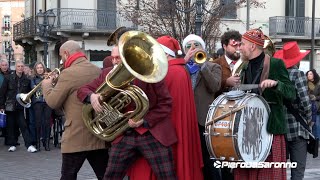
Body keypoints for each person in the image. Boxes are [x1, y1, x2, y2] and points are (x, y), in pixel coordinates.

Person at [77, 44, 177, 180]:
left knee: (167, 176)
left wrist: (144, 120)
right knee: (110, 176)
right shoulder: (107, 74)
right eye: (112, 58)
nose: (114, 61)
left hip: (150, 133)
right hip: (124, 134)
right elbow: (82, 90)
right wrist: (92, 96)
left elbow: (166, 103)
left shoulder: (148, 73)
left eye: (118, 58)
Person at [127, 35, 204, 180]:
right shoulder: (181, 70)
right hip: (174, 128)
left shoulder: (165, 72)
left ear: (164, 53)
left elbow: (152, 102)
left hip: (161, 131)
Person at [41, 40, 108, 180]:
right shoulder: (97, 70)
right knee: (104, 175)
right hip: (97, 134)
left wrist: (47, 85)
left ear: (66, 53)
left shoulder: (68, 73)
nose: (61, 60)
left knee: (68, 176)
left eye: (61, 56)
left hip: (76, 136)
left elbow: (53, 102)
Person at [234, 28, 296, 180]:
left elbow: (291, 92)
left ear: (252, 46)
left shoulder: (275, 64)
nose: (239, 47)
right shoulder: (245, 67)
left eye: (242, 44)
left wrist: (276, 83)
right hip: (248, 130)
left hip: (270, 130)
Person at [182, 34, 222, 180]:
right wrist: (184, 63)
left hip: (202, 121)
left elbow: (215, 86)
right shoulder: (181, 67)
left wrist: (203, 66)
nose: (193, 48)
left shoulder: (213, 66)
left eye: (196, 45)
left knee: (208, 161)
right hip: (185, 119)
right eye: (188, 46)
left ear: (203, 49)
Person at [274, 41, 311, 180]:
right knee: (298, 170)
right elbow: (305, 101)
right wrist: (308, 119)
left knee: (279, 169)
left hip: (279, 128)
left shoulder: (276, 74)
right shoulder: (298, 74)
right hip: (296, 128)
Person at [0, 60, 37, 153]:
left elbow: (29, 94)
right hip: (9, 105)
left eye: (22, 66)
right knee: (10, 126)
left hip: (20, 106)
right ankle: (12, 144)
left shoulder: (27, 79)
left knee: (23, 125)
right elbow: (2, 93)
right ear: (15, 68)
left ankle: (29, 145)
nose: (20, 68)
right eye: (18, 66)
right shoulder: (8, 78)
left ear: (24, 67)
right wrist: (2, 106)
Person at [31, 62, 53, 151]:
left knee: (47, 123)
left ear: (43, 68)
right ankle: (38, 143)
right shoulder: (33, 79)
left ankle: (46, 143)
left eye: (41, 67)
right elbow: (34, 89)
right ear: (35, 70)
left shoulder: (48, 77)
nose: (39, 69)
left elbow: (52, 87)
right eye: (38, 68)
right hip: (37, 102)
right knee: (38, 123)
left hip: (47, 101)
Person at [212, 30, 242, 96]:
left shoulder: (246, 63)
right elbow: (210, 88)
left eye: (240, 45)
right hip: (221, 104)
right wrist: (226, 82)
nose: (238, 48)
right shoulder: (214, 64)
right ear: (225, 46)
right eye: (234, 45)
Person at [306, 69, 320, 138]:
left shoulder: (318, 84)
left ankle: (316, 143)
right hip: (307, 108)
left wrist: (316, 97)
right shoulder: (305, 83)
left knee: (316, 127)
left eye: (311, 74)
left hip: (316, 108)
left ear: (314, 75)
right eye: (308, 74)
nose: (309, 75)